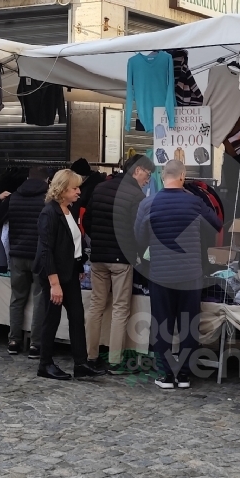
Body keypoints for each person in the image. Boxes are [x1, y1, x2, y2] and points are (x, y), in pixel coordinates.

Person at [134, 159, 224, 389]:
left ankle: (165, 375)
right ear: (182, 176)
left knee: (162, 324)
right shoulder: (194, 202)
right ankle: (183, 375)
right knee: (188, 326)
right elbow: (216, 224)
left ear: (163, 177)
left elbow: (139, 238)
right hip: (191, 274)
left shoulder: (148, 204)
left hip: (160, 273)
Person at [83, 154, 154, 374]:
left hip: (98, 257)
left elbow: (87, 220)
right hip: (122, 259)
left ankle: (90, 356)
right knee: (120, 309)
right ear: (138, 170)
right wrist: (139, 253)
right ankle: (115, 361)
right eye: (148, 175)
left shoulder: (100, 188)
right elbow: (139, 230)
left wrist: (98, 243)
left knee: (96, 306)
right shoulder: (136, 195)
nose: (148, 180)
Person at [34, 169, 101, 381]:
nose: (79, 191)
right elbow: (45, 250)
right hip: (54, 275)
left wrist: (79, 268)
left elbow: (72, 244)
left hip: (70, 272)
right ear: (62, 189)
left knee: (76, 316)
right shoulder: (49, 213)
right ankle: (45, 363)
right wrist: (54, 282)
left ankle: (80, 362)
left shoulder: (68, 210)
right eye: (74, 188)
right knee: (51, 319)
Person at [4, 166, 52, 358]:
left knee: (17, 298)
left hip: (17, 254)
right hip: (38, 255)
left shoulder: (13, 197)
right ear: (47, 181)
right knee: (40, 298)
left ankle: (14, 340)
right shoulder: (47, 200)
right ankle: (35, 344)